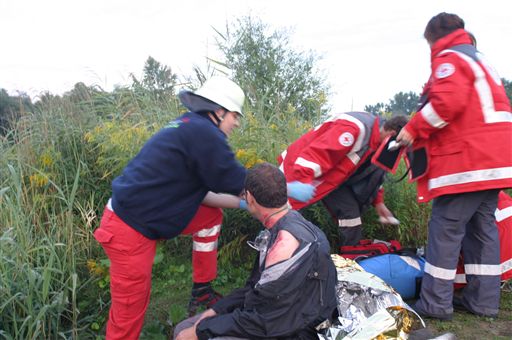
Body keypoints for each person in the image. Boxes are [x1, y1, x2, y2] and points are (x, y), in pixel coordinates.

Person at [93, 76, 316, 339]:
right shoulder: (204, 133)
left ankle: (202, 289)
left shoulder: (189, 126)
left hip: (146, 215)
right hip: (129, 229)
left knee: (210, 217)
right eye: (235, 115)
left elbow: (205, 196)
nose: (235, 123)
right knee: (129, 310)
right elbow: (243, 181)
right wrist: (287, 188)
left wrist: (244, 203)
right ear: (219, 111)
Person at [396, 12, 512, 320]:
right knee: (482, 230)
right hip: (497, 161)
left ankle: (435, 303)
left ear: (433, 37)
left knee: (445, 229)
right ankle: (483, 301)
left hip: (468, 162)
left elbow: (446, 104)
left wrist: (413, 129)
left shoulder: (450, 58)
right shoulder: (478, 58)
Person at [173, 162, 337, 340]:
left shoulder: (283, 245)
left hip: (297, 330)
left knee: (188, 334)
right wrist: (216, 310)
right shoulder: (289, 224)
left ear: (249, 198)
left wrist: (202, 330)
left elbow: (267, 321)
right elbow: (255, 289)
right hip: (288, 316)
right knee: (186, 327)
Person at [278, 112, 408, 246]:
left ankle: (350, 260)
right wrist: (300, 184)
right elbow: (315, 156)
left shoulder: (379, 143)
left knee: (351, 216)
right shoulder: (353, 129)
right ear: (392, 135)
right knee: (284, 221)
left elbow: (373, 176)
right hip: (298, 172)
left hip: (332, 180)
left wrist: (379, 203)